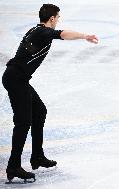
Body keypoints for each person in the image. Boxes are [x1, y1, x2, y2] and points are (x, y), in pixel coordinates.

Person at [2, 4, 99, 182]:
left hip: (18, 78)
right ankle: (13, 166)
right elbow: (62, 34)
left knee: (39, 111)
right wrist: (84, 36)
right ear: (52, 18)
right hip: (16, 79)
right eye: (58, 18)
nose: (58, 21)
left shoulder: (36, 30)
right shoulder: (43, 32)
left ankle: (37, 156)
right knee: (23, 122)